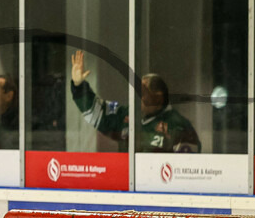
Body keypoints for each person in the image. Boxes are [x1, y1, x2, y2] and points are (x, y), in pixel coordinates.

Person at [69, 50, 200, 153]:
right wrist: (79, 86)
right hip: (125, 178)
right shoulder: (125, 114)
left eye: (142, 93)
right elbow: (97, 111)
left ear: (158, 98)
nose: (137, 97)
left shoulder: (178, 125)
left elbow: (188, 167)